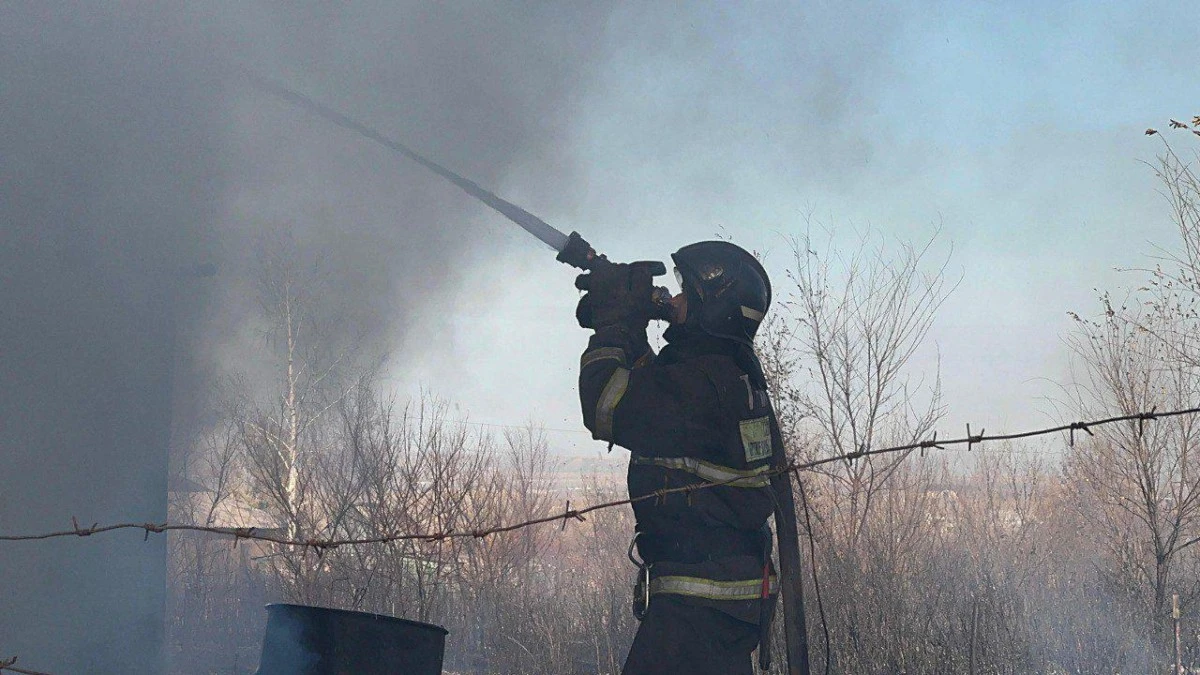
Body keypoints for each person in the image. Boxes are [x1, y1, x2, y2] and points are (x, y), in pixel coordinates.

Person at [574, 241, 779, 675]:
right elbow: (653, 396)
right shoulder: (722, 375)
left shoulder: (703, 384)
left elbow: (607, 406)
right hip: (716, 599)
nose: (675, 298)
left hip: (698, 605)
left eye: (687, 293)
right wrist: (630, 323)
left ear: (713, 308)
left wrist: (613, 325)